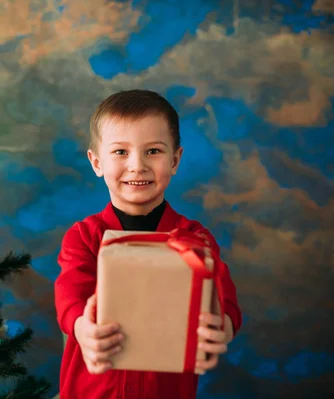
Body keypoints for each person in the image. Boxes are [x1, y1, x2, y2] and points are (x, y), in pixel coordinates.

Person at [54, 89, 242, 398]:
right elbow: (70, 296)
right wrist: (81, 329)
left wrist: (223, 325)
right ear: (97, 162)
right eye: (120, 152)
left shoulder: (197, 240)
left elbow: (224, 297)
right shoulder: (83, 236)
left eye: (153, 151)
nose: (137, 165)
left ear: (175, 160)